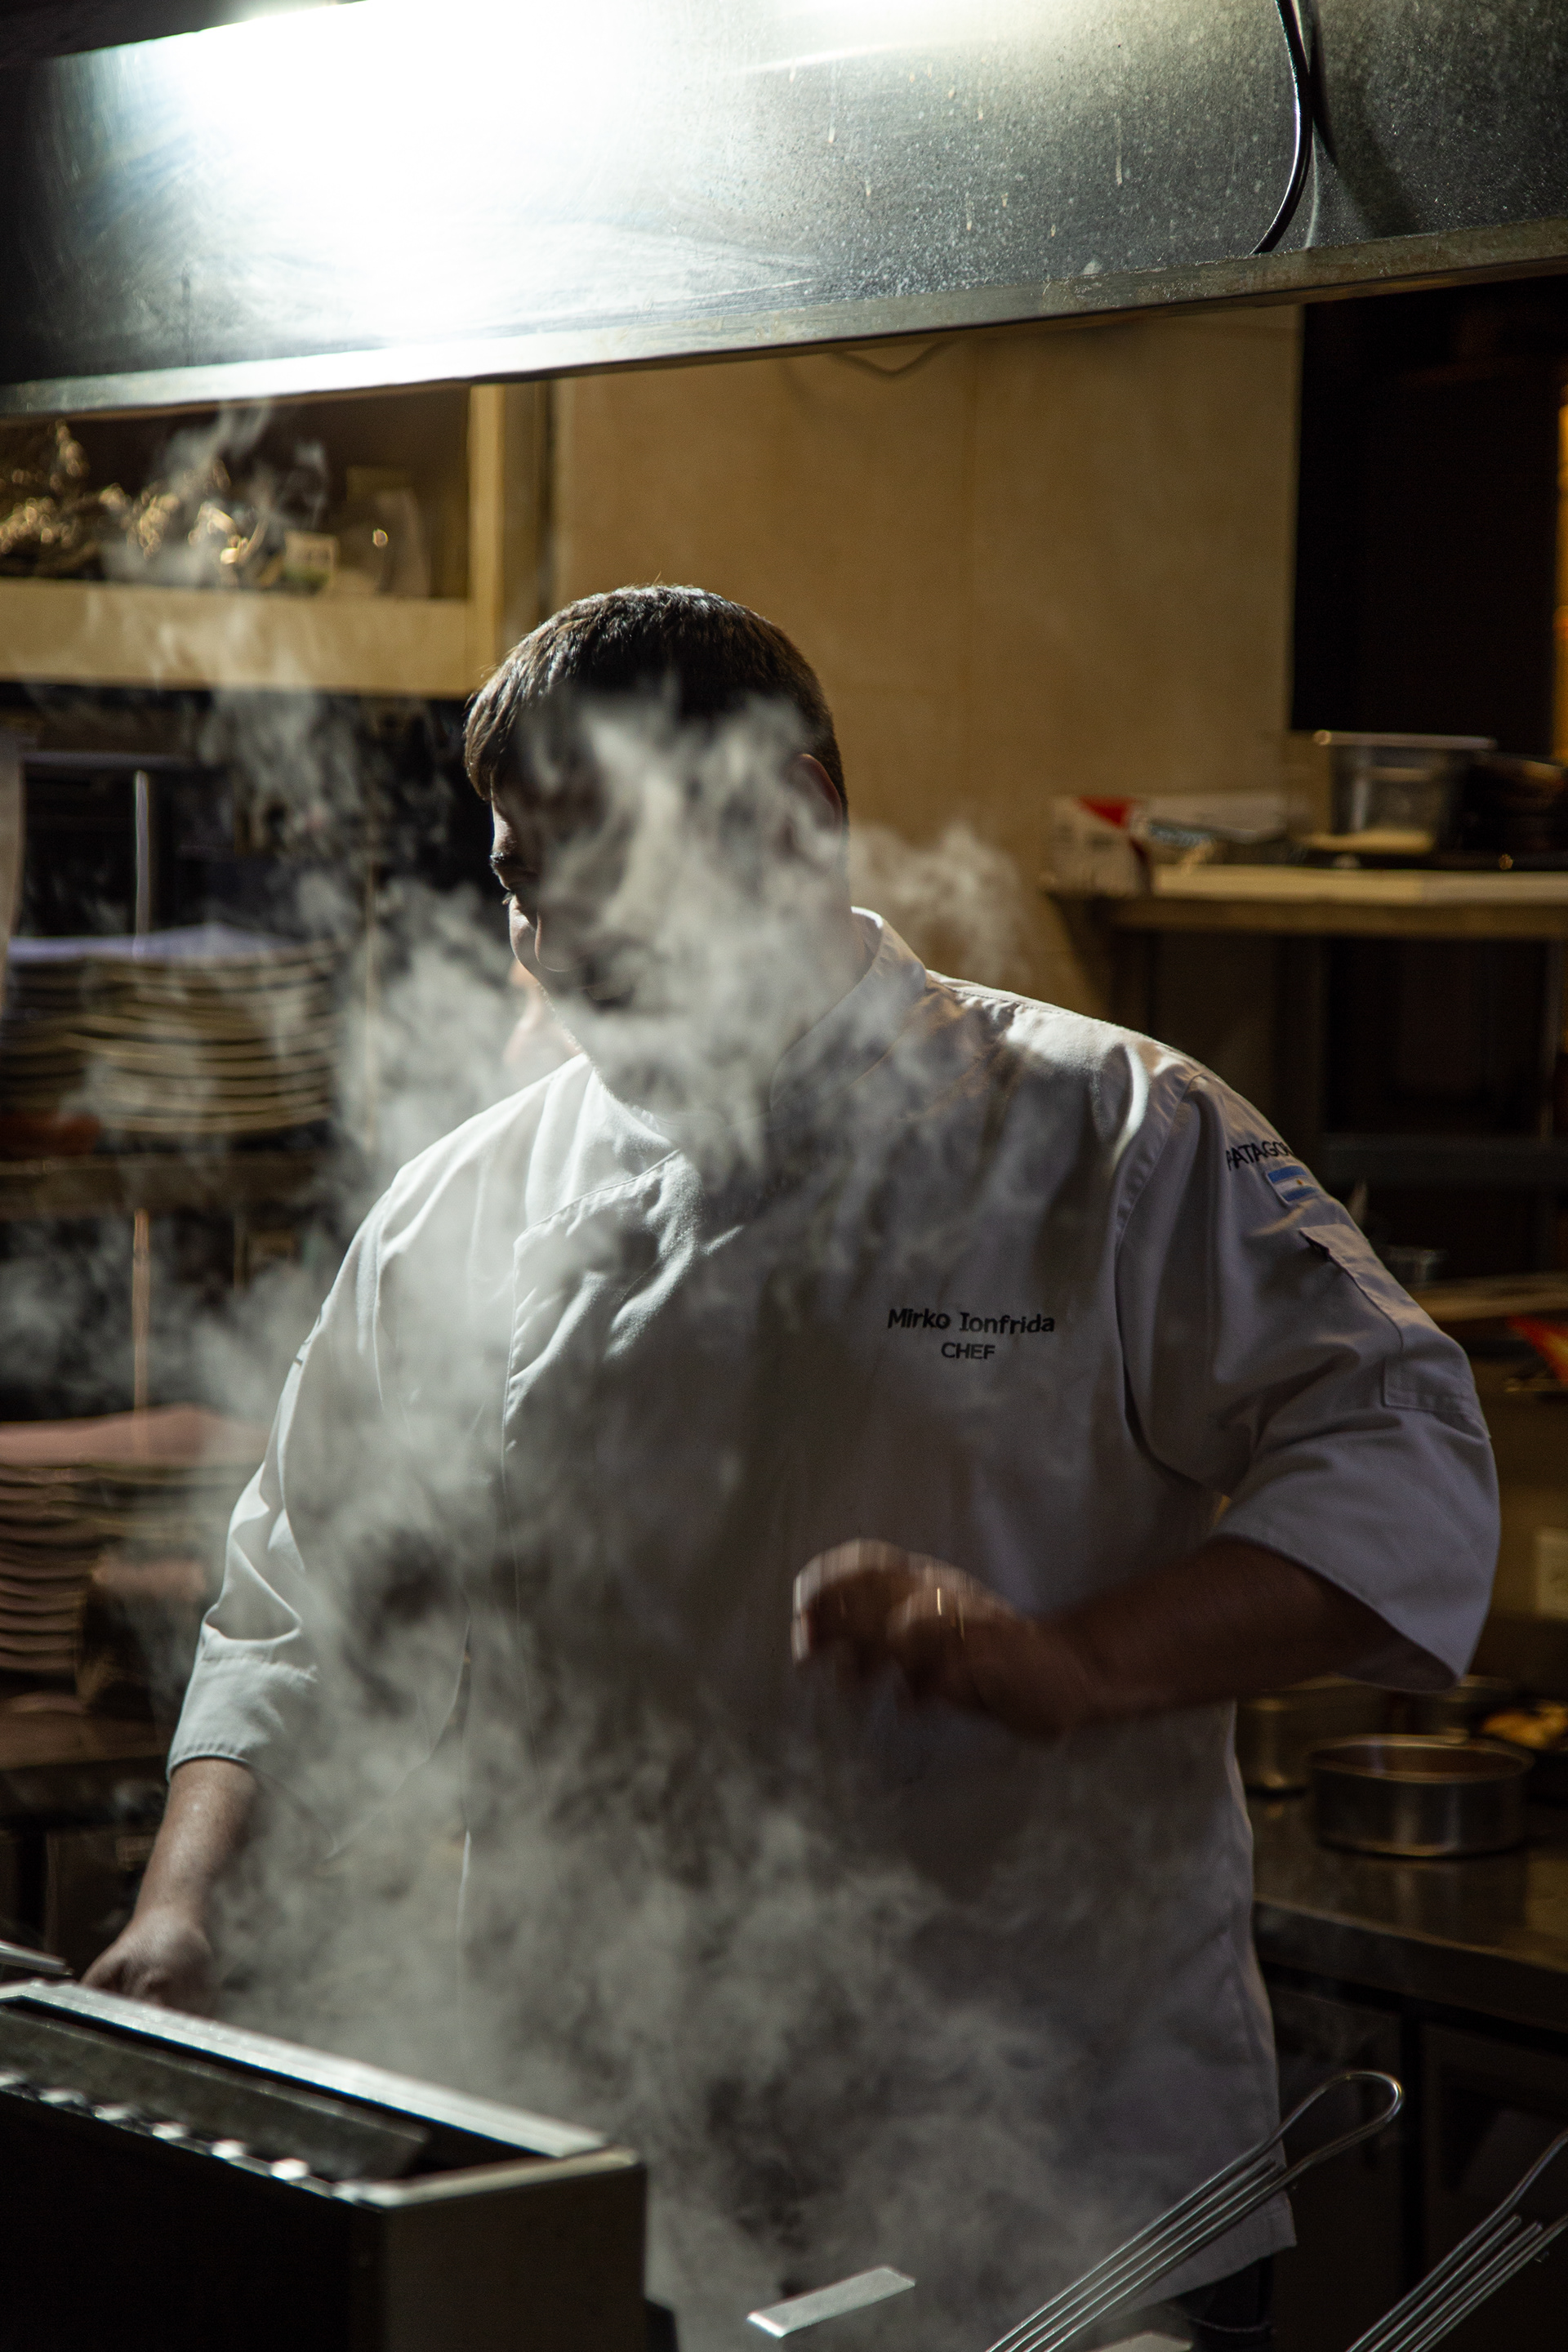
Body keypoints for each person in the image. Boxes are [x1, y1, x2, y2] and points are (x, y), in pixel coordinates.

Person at [87, 586, 1497, 2352]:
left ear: (794, 814)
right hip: (604, 2164)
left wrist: (1078, 1662)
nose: (554, 947)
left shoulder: (1109, 1131)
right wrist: (183, 1916)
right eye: (523, 881)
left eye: (607, 871)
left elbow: (1411, 1462)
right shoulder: (469, 1205)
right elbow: (295, 1596)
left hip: (1054, 2192)